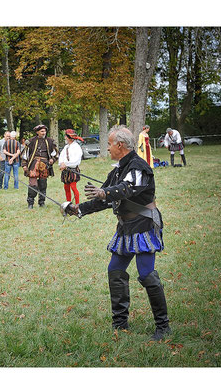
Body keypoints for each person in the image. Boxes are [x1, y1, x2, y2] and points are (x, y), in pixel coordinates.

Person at [62, 125, 170, 341]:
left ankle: (163, 326)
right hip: (125, 228)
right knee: (115, 270)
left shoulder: (139, 167)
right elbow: (104, 198)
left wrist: (105, 192)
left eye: (110, 144)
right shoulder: (118, 169)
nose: (108, 147)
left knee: (147, 274)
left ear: (120, 145)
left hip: (144, 225)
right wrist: (78, 209)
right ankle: (120, 323)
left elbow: (128, 189)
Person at [21, 124, 58, 208]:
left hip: (45, 165)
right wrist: (24, 165)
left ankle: (41, 202)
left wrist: (52, 159)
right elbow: (25, 154)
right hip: (33, 165)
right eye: (42, 131)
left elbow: (56, 154)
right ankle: (30, 203)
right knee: (33, 184)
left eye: (44, 131)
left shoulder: (50, 141)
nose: (43, 133)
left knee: (42, 184)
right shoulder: (31, 141)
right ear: (37, 132)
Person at [58, 129, 84, 204]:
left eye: (66, 136)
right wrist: (61, 163)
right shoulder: (66, 147)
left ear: (69, 138)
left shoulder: (77, 147)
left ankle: (77, 204)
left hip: (73, 169)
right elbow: (61, 157)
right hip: (65, 170)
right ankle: (68, 203)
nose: (65, 138)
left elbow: (76, 160)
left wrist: (66, 164)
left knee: (73, 187)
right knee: (66, 187)